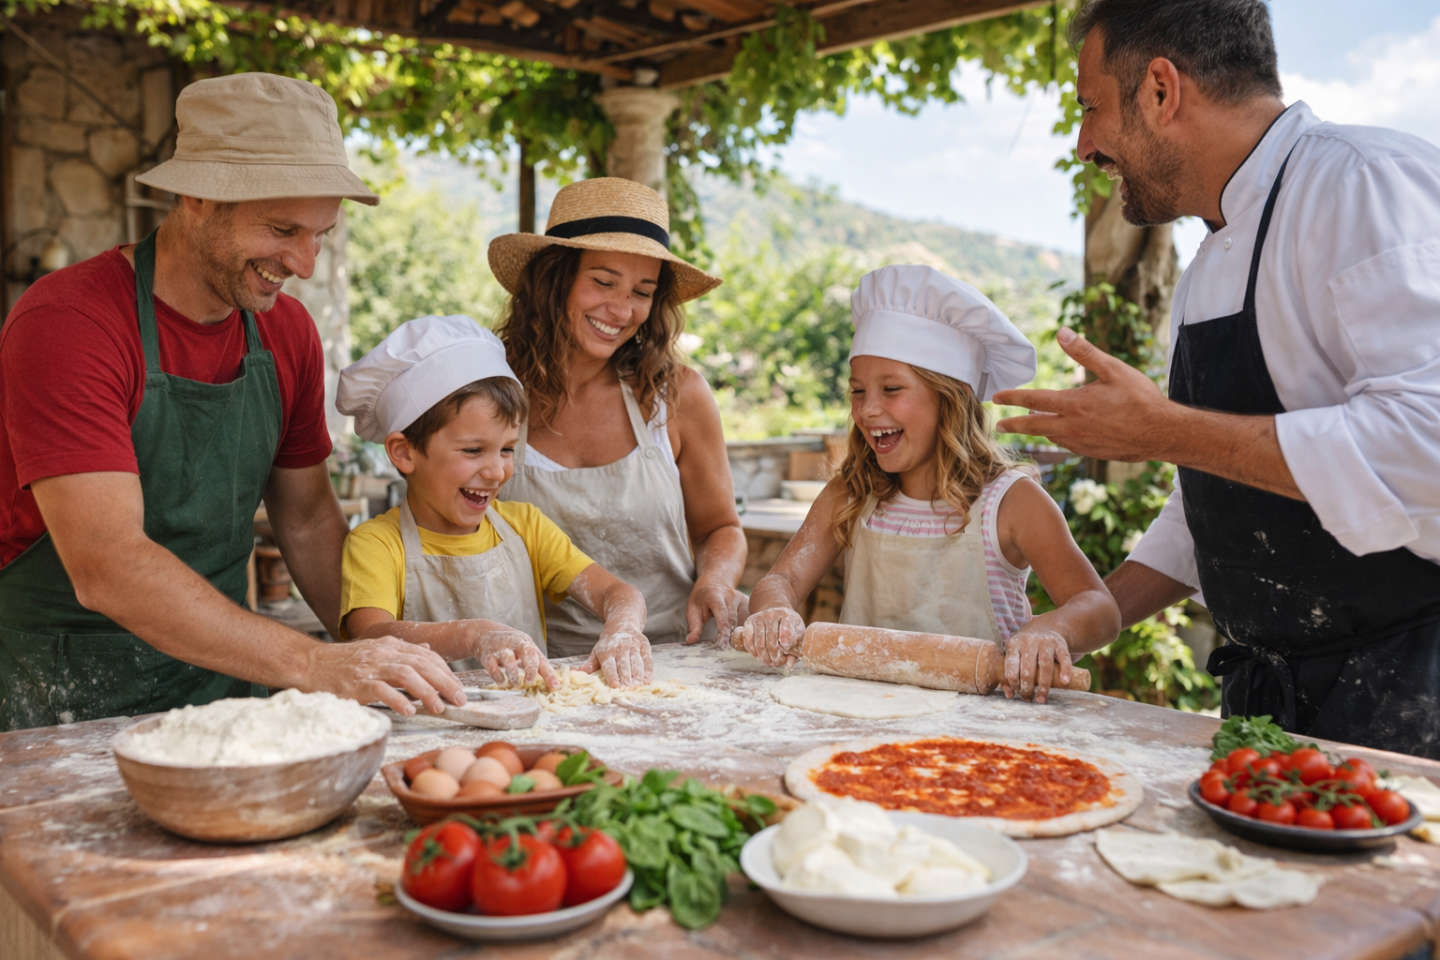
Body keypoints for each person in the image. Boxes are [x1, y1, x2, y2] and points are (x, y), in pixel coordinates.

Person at [995, 0, 1440, 756]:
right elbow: (1216, 507)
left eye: (1091, 108)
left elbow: (1425, 448)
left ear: (1161, 90)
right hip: (1266, 702)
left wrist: (1162, 430)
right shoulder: (1207, 270)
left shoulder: (1364, 185)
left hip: (1409, 695)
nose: (1082, 145)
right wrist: (1080, 618)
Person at [0, 74, 468, 731]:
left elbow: (305, 520)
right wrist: (315, 665)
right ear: (198, 194)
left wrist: (381, 645)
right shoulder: (67, 322)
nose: (303, 263)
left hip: (222, 694)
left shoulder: (288, 334)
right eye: (282, 229)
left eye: (320, 234)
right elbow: (107, 566)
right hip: (56, 703)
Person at [737, 266, 1121, 702]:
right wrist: (772, 609)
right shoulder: (853, 493)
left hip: (984, 728)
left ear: (949, 397)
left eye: (891, 388)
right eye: (858, 391)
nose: (867, 410)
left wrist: (1050, 630)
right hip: (854, 711)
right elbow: (781, 579)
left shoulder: (1010, 502)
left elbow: (1099, 608)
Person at [487, 178, 748, 666]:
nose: (622, 309)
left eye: (642, 292)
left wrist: (715, 580)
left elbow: (721, 528)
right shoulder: (492, 390)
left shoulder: (678, 396)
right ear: (554, 279)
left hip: (670, 659)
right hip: (528, 669)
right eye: (603, 282)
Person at [335, 315, 653, 688]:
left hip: (531, 726)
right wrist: (475, 635)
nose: (496, 471)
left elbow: (619, 593)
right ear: (404, 452)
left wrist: (623, 628)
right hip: (428, 726)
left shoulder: (525, 527)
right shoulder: (376, 544)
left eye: (506, 449)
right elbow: (372, 635)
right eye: (473, 450)